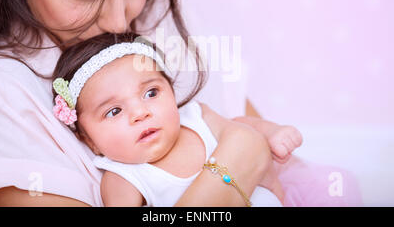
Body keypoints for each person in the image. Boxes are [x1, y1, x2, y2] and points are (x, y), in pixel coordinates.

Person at [0, 0, 290, 206]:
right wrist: (241, 157)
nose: (118, 22)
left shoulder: (160, 20)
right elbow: (248, 148)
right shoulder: (0, 90)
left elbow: (281, 162)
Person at [50, 32, 303, 206]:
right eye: (114, 111)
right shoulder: (122, 178)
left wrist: (272, 131)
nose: (141, 113)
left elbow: (239, 125)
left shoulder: (195, 117)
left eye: (151, 93)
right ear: (89, 141)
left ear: (171, 91)